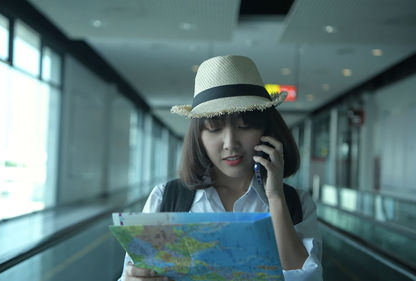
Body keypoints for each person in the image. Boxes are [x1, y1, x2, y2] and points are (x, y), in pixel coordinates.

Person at [119, 55, 322, 281]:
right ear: (199, 136)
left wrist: (275, 198)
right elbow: (132, 275)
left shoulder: (296, 204)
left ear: (266, 130)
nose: (230, 143)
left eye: (244, 126)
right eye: (214, 128)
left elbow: (306, 277)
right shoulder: (166, 199)